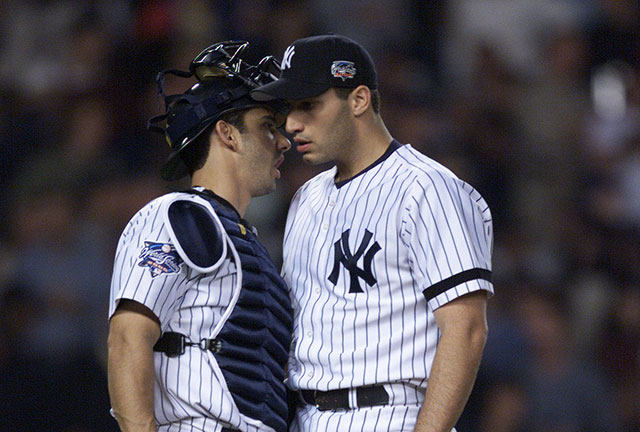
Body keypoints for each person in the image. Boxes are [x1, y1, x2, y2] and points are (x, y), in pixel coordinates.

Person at [252, 34, 494, 432]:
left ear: (359, 100)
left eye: (309, 105)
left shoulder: (428, 188)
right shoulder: (306, 197)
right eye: (290, 108)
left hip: (389, 413)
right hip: (304, 416)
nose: (292, 123)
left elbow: (466, 329)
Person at [107, 41, 293, 432]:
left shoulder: (248, 240)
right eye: (267, 126)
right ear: (227, 133)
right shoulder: (175, 216)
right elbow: (127, 337)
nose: (283, 142)